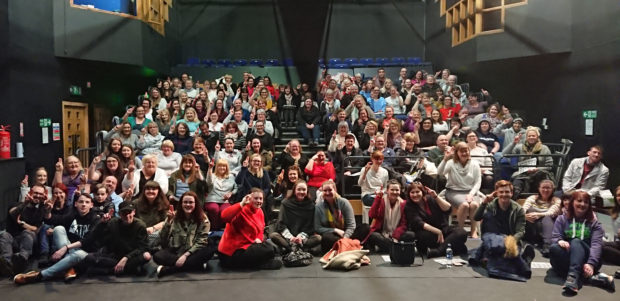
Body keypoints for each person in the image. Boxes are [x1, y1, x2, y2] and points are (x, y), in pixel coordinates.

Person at [13, 193, 101, 284]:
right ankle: (69, 267)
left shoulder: (95, 219)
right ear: (76, 204)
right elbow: (55, 219)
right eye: (81, 202)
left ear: (91, 205)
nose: (84, 204)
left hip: (85, 253)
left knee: (78, 254)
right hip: (70, 251)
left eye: (87, 202)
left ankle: (40, 275)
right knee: (59, 229)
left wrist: (66, 247)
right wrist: (48, 212)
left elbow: (87, 240)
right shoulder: (72, 216)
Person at [549, 190, 613, 294]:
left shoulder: (595, 224)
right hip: (569, 256)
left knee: (576, 242)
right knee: (554, 248)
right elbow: (556, 236)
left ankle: (573, 277)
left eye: (586, 202)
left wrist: (591, 264)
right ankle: (593, 278)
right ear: (572, 202)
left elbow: (596, 245)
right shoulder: (561, 219)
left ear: (589, 205)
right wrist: (559, 240)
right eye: (579, 201)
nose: (582, 204)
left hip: (588, 259)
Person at [469, 180, 534, 282]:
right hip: (493, 238)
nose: (504, 194)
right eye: (501, 192)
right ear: (497, 193)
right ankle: (523, 261)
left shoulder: (518, 210)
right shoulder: (491, 206)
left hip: (511, 240)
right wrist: (484, 203)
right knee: (496, 250)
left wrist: (511, 240)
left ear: (511, 193)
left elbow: (520, 231)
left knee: (495, 257)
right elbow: (476, 218)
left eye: (507, 192)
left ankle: (483, 257)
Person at [76, 201, 157, 276]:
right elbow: (96, 237)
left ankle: (109, 271)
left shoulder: (140, 225)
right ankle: (126, 270)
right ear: (119, 214)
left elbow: (143, 247)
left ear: (134, 212)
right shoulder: (113, 223)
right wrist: (102, 223)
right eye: (123, 213)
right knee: (88, 258)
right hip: (115, 255)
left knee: (146, 256)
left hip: (131, 256)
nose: (127, 216)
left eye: (129, 212)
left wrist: (126, 258)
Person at [154, 191, 215, 277]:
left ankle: (170, 270)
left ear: (195, 204)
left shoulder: (203, 219)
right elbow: (162, 239)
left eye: (191, 202)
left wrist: (185, 256)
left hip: (193, 252)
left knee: (210, 249)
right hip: (176, 252)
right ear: (181, 204)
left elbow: (201, 242)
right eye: (185, 202)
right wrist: (168, 221)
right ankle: (196, 265)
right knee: (157, 256)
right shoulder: (173, 216)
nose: (188, 205)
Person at [218, 189, 282, 270]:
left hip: (247, 246)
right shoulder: (240, 209)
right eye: (256, 198)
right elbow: (224, 216)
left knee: (271, 248)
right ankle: (258, 264)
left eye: (260, 198)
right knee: (269, 249)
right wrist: (241, 203)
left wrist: (258, 238)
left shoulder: (260, 211)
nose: (258, 201)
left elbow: (261, 230)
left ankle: (256, 263)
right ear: (249, 198)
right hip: (231, 253)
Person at [404, 182, 467, 258]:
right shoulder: (408, 206)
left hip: (443, 230)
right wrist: (437, 231)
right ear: (409, 194)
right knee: (423, 236)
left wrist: (436, 197)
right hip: (427, 233)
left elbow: (448, 209)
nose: (415, 195)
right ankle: (452, 246)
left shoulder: (430, 198)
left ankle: (438, 251)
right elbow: (419, 223)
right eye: (412, 192)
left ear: (422, 192)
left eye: (417, 192)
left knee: (461, 232)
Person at [438, 142, 484, 238]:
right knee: (464, 205)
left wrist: (471, 194)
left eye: (466, 151)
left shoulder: (475, 164)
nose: (464, 153)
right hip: (453, 191)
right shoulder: (451, 163)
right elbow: (439, 173)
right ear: (457, 153)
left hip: (471, 191)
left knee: (474, 204)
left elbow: (478, 182)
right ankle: (460, 230)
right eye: (461, 151)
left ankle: (473, 230)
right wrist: (445, 159)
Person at [0, 185, 48, 276]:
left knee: (27, 232)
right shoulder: (16, 205)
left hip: (28, 241)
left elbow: (36, 229)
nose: (38, 195)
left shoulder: (39, 211)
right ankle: (6, 263)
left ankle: (22, 260)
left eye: (40, 194)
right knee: (5, 235)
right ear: (30, 193)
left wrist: (23, 224)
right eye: (36, 193)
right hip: (13, 239)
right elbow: (13, 214)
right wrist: (25, 203)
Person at [314, 180, 369, 253]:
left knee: (365, 227)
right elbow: (318, 228)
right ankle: (351, 247)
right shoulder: (318, 206)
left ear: (335, 190)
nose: (327, 193)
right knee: (326, 237)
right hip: (333, 236)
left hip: (347, 234)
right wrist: (335, 230)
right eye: (325, 191)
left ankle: (343, 247)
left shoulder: (344, 202)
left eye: (330, 190)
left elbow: (351, 225)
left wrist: (345, 238)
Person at [269, 180, 321, 254]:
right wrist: (291, 238)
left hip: (303, 238)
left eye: (304, 190)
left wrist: (300, 238)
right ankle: (294, 247)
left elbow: (310, 226)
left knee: (318, 238)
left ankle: (292, 248)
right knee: (274, 236)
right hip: (288, 237)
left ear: (307, 191)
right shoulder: (285, 203)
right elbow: (281, 224)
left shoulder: (311, 205)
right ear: (294, 190)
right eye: (299, 189)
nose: (301, 192)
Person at [503, 126, 554, 199]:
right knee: (516, 186)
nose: (531, 137)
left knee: (541, 182)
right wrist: (514, 143)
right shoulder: (519, 147)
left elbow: (549, 165)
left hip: (540, 174)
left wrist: (537, 169)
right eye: (529, 136)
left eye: (533, 136)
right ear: (526, 137)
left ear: (537, 137)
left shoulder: (544, 148)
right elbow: (505, 154)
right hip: (522, 174)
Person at [363, 180, 413, 253]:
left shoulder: (404, 204)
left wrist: (395, 236)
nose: (394, 192)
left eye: (397, 190)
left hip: (397, 234)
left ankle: (390, 247)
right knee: (373, 236)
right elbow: (372, 214)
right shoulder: (382, 201)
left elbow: (404, 224)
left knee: (411, 235)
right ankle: (397, 248)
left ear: (400, 191)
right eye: (392, 190)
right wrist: (378, 198)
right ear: (387, 191)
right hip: (383, 233)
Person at [522, 180, 561, 256]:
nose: (545, 190)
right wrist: (525, 216)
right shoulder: (532, 198)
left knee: (547, 217)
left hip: (546, 224)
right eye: (543, 187)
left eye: (548, 188)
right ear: (539, 189)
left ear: (552, 189)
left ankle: (547, 245)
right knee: (530, 210)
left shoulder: (557, 200)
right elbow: (523, 209)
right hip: (531, 225)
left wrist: (539, 214)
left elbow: (551, 212)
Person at [205, 159, 237, 230]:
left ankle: (221, 229)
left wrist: (231, 193)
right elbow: (208, 182)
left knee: (224, 210)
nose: (222, 168)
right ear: (217, 167)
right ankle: (214, 228)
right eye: (220, 166)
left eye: (224, 166)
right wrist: (210, 168)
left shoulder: (231, 177)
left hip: (225, 200)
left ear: (226, 168)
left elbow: (236, 188)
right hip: (212, 199)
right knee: (214, 208)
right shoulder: (212, 175)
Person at [602, 186, 620, 266]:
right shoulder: (612, 210)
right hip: (612, 242)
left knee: (601, 246)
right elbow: (608, 233)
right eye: (618, 195)